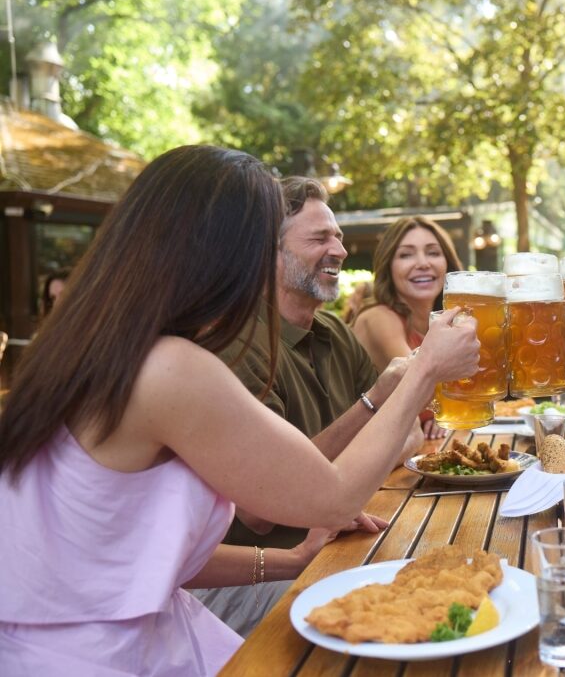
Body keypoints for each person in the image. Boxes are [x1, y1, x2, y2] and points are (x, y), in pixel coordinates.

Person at [0, 145, 480, 675]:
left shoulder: (88, 347)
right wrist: (425, 371)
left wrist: (290, 561)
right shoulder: (169, 368)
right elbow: (332, 497)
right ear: (226, 251)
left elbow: (132, 554)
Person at [190, 177, 424, 636]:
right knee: (395, 616)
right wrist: (374, 403)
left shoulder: (334, 331)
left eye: (337, 236)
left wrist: (335, 482)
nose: (338, 250)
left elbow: (409, 437)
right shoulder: (231, 345)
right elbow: (263, 508)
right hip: (254, 575)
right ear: (265, 253)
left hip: (339, 545)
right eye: (319, 238)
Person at [353, 216, 462, 439]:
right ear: (388, 266)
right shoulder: (379, 317)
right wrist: (446, 408)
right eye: (406, 255)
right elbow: (417, 383)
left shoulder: (442, 323)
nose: (423, 263)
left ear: (447, 265)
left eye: (433, 252)